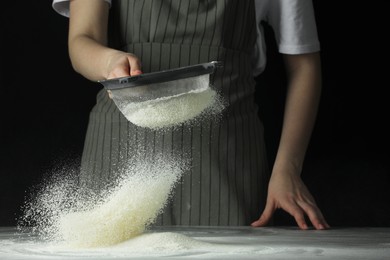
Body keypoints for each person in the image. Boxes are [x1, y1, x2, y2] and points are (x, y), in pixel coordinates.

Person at [52, 0, 330, 230]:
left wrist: (287, 170)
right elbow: (81, 39)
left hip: (227, 162)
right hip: (120, 155)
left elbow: (304, 66)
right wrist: (108, 62)